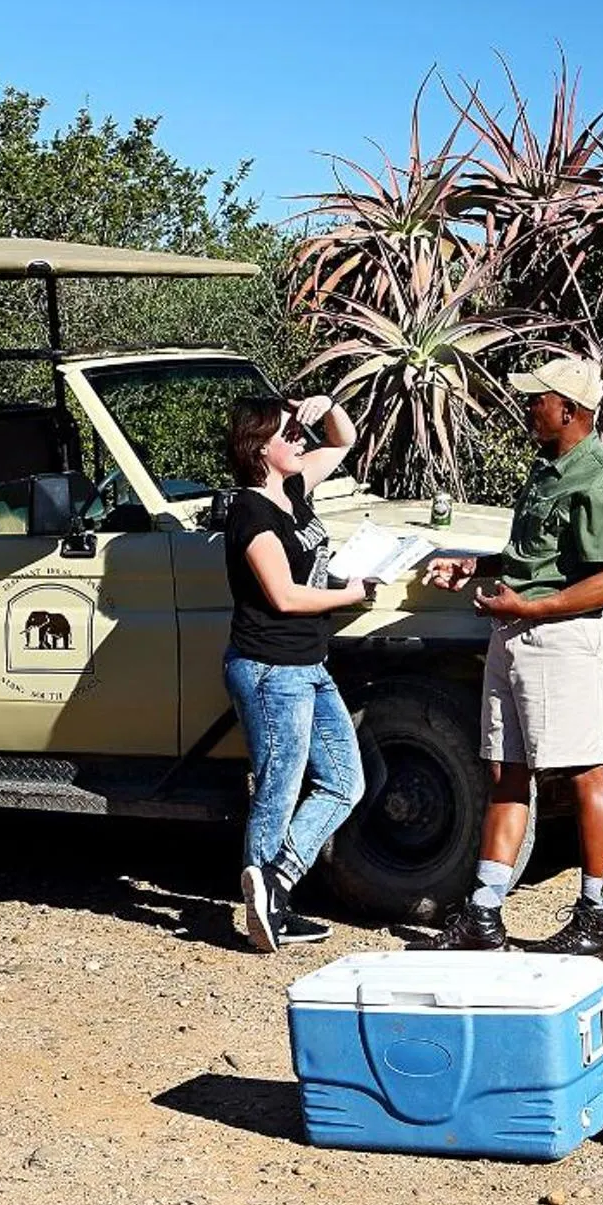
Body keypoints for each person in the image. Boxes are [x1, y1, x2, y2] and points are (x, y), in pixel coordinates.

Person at [415, 356, 603, 957]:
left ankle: (596, 913)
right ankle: (484, 913)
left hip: (561, 638)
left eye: (537, 397)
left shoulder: (602, 479)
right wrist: (474, 566)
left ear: (569, 409)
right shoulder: (548, 470)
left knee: (584, 769)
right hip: (515, 634)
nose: (528, 405)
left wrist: (533, 610)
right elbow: (536, 557)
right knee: (505, 771)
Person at [220, 392, 373, 953]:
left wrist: (324, 403)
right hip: (269, 668)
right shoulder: (250, 514)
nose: (300, 440)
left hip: (307, 663)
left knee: (344, 781)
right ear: (261, 448)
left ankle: (276, 883)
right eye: (289, 434)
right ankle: (264, 903)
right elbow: (282, 597)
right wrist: (350, 594)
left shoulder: (291, 489)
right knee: (279, 785)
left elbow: (343, 438)